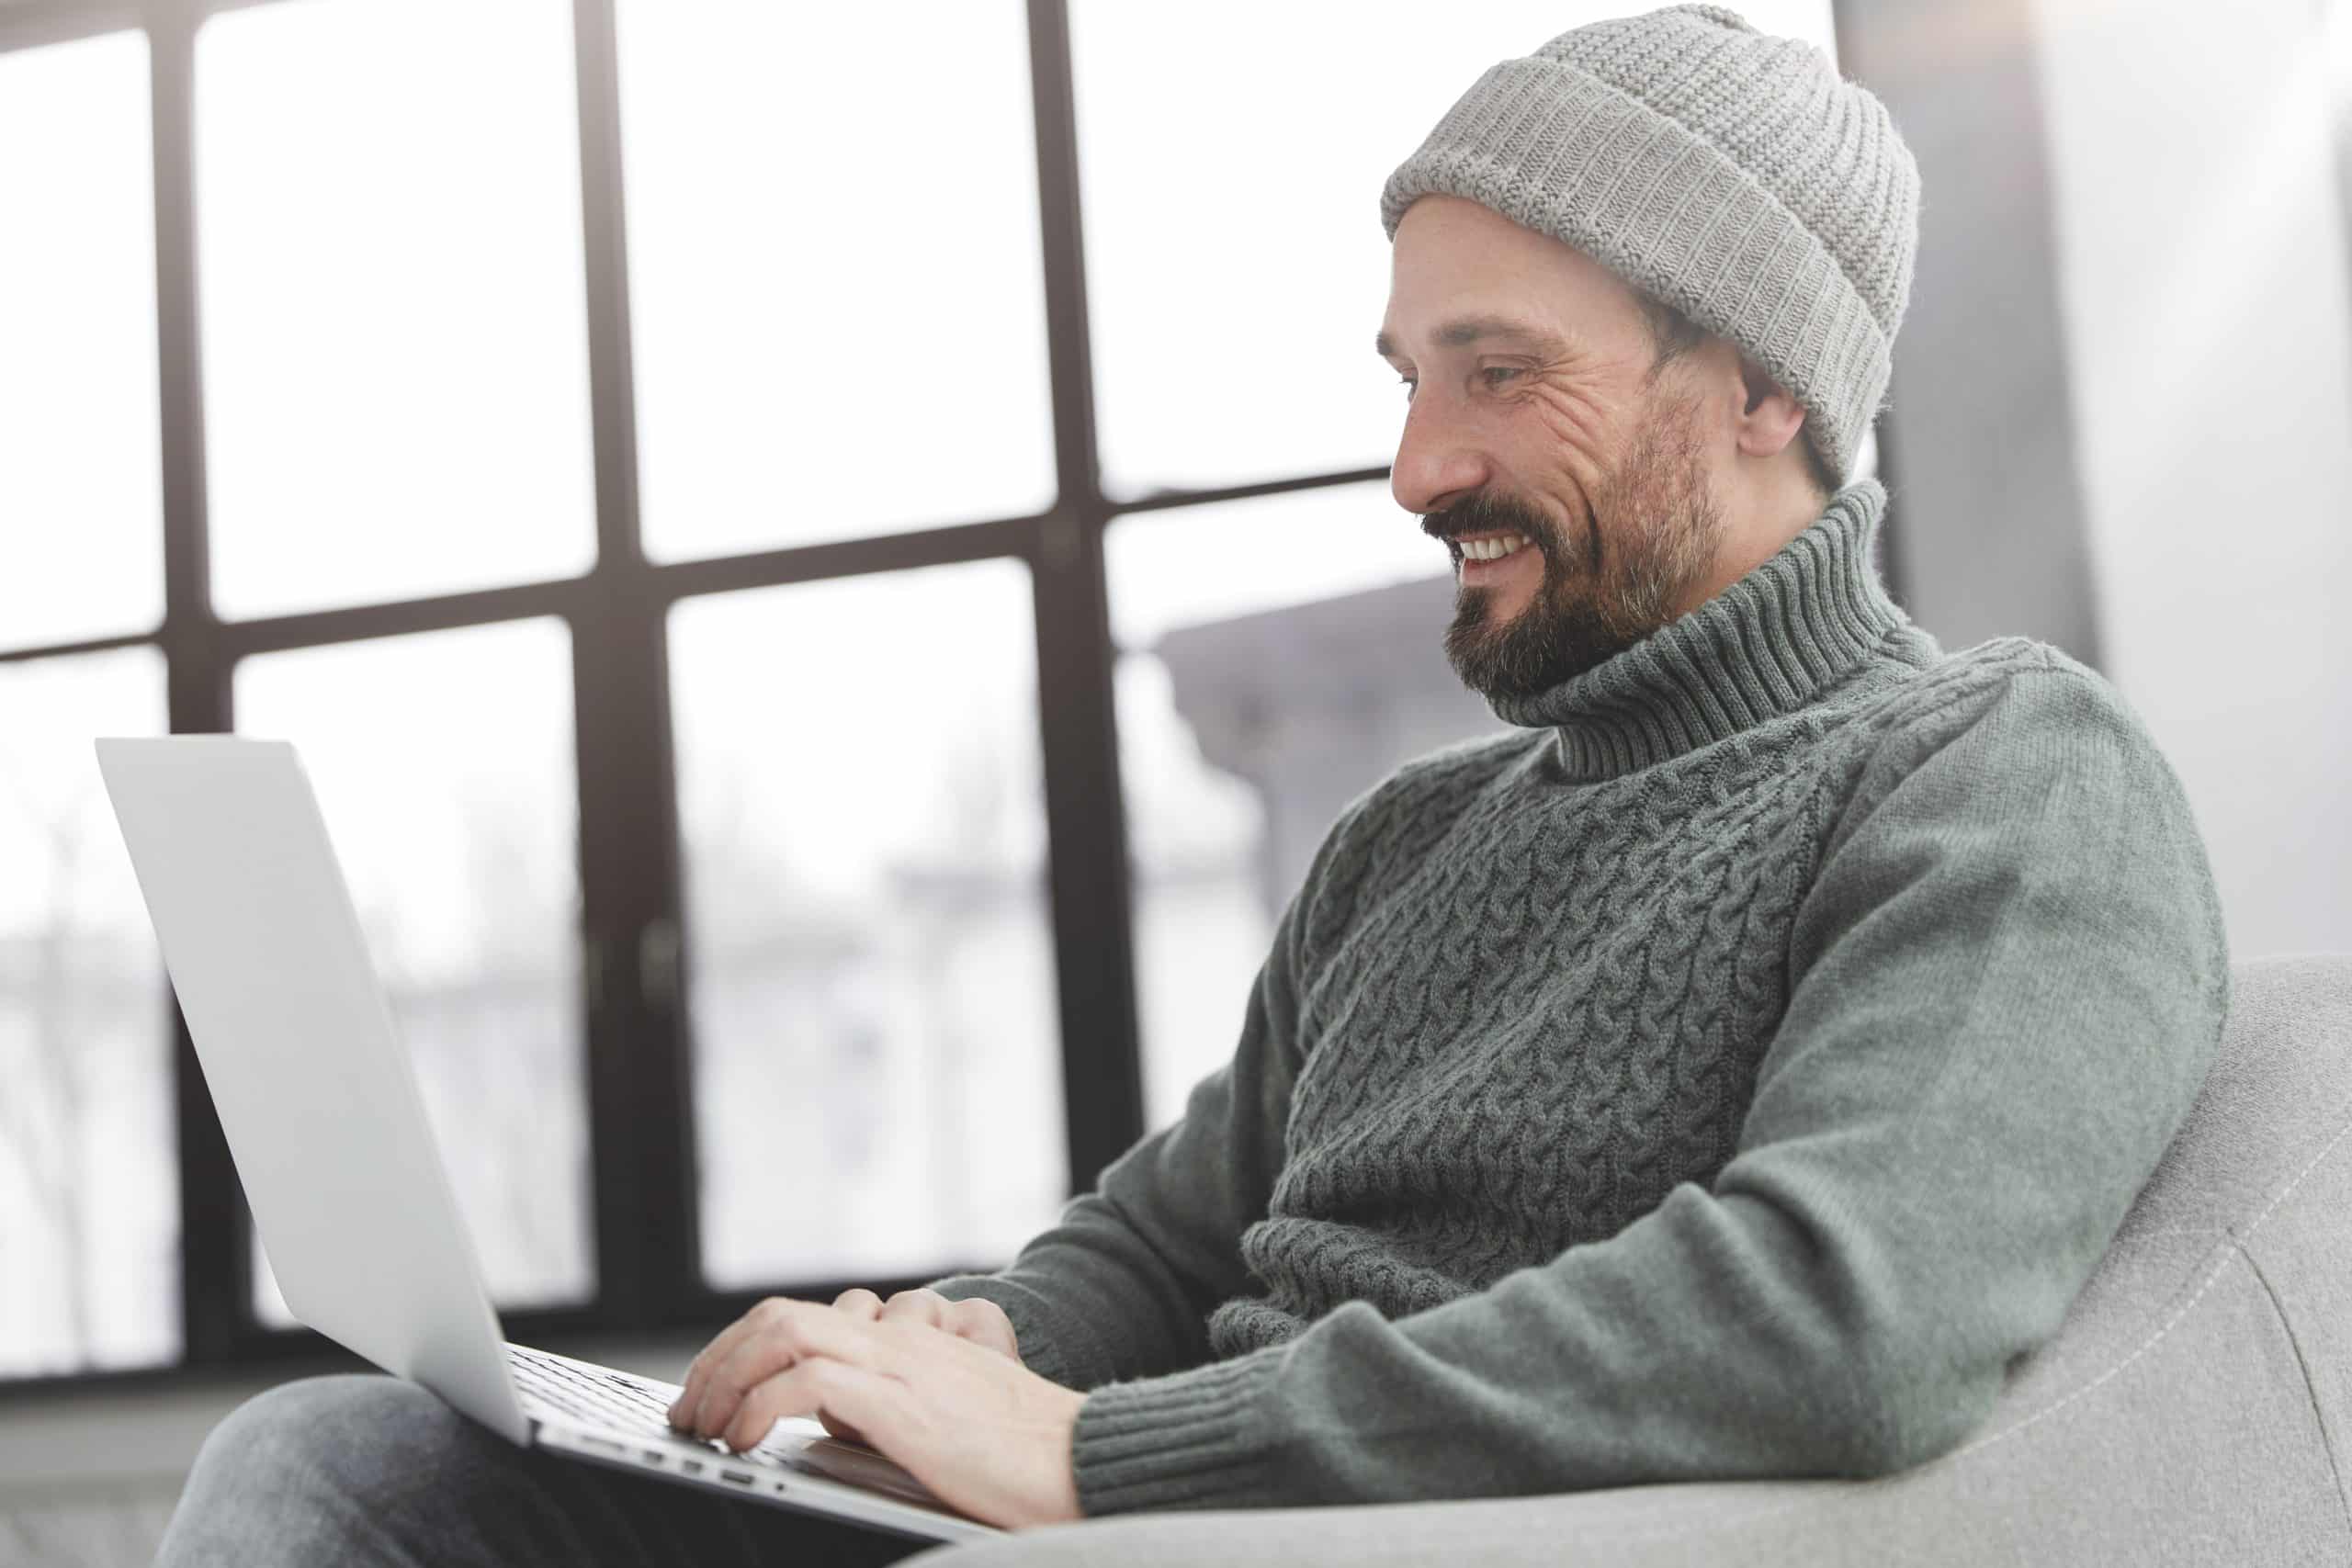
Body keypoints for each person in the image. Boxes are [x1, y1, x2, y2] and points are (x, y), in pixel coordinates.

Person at [155, 4, 2231, 1562]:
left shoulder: (1994, 773)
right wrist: (939, 1355)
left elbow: (1831, 1314)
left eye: (1498, 374)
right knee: (332, 1464)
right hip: (1142, 1515)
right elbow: (1150, 1258)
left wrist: (1087, 1454)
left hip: (1320, 1530)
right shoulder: (1408, 844)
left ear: (1771, 380)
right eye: (1408, 382)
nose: (1421, 468)